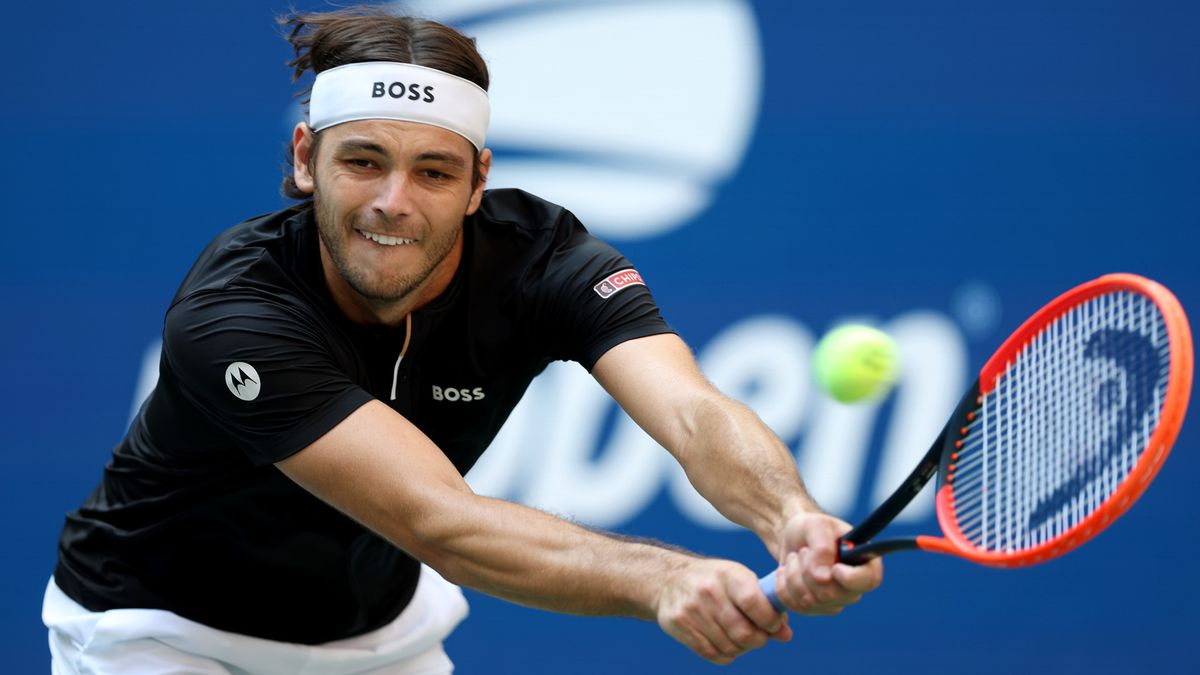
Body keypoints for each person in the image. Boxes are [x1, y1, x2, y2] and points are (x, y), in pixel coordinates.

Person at [44, 6, 882, 673]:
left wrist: (791, 518)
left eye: (434, 172)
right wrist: (666, 579)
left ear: (480, 180)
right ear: (306, 159)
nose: (393, 203)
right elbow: (439, 521)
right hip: (159, 633)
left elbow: (694, 413)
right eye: (363, 161)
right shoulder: (236, 312)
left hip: (381, 638)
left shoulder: (547, 260)